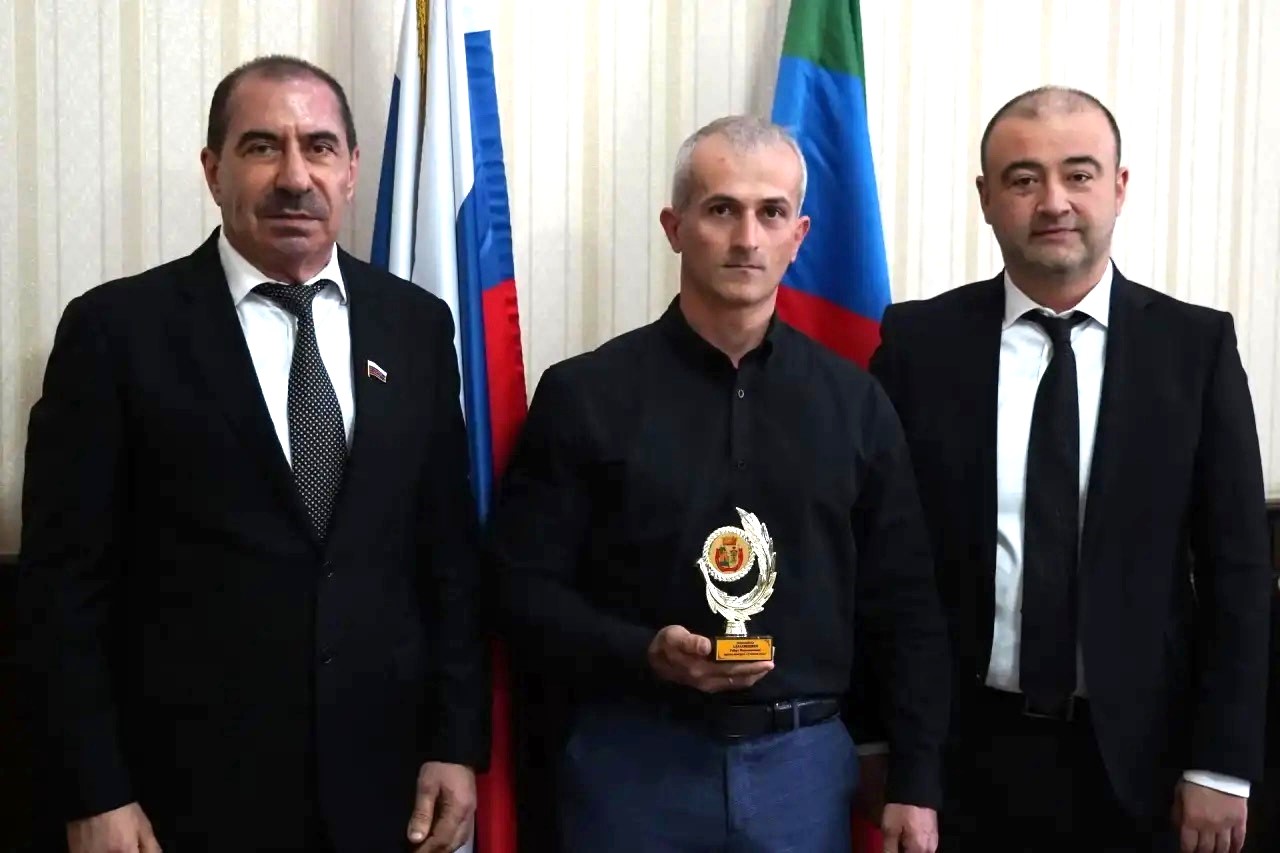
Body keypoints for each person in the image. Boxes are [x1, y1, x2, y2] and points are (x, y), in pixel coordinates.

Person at [17, 55, 487, 853]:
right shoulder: (116, 332)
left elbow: (447, 558)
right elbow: (62, 588)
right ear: (214, 170)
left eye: (320, 147)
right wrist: (93, 790)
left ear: (352, 170)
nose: (295, 177)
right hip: (182, 798)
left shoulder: (415, 324)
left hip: (381, 789)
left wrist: (455, 741)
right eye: (263, 146)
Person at [489, 115, 949, 853]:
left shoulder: (856, 404)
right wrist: (643, 650)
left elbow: (906, 604)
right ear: (675, 227)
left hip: (803, 769)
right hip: (633, 762)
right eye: (721, 209)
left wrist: (915, 782)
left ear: (800, 235)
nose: (747, 238)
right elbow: (520, 590)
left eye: (772, 213)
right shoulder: (585, 395)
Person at [868, 86, 1271, 853]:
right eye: (1023, 179)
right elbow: (884, 563)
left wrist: (1222, 763)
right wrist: (881, 742)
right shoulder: (919, 344)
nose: (1053, 201)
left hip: (1145, 764)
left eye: (1079, 175)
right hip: (958, 758)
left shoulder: (1194, 349)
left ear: (1119, 187)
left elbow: (1239, 571)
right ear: (986, 199)